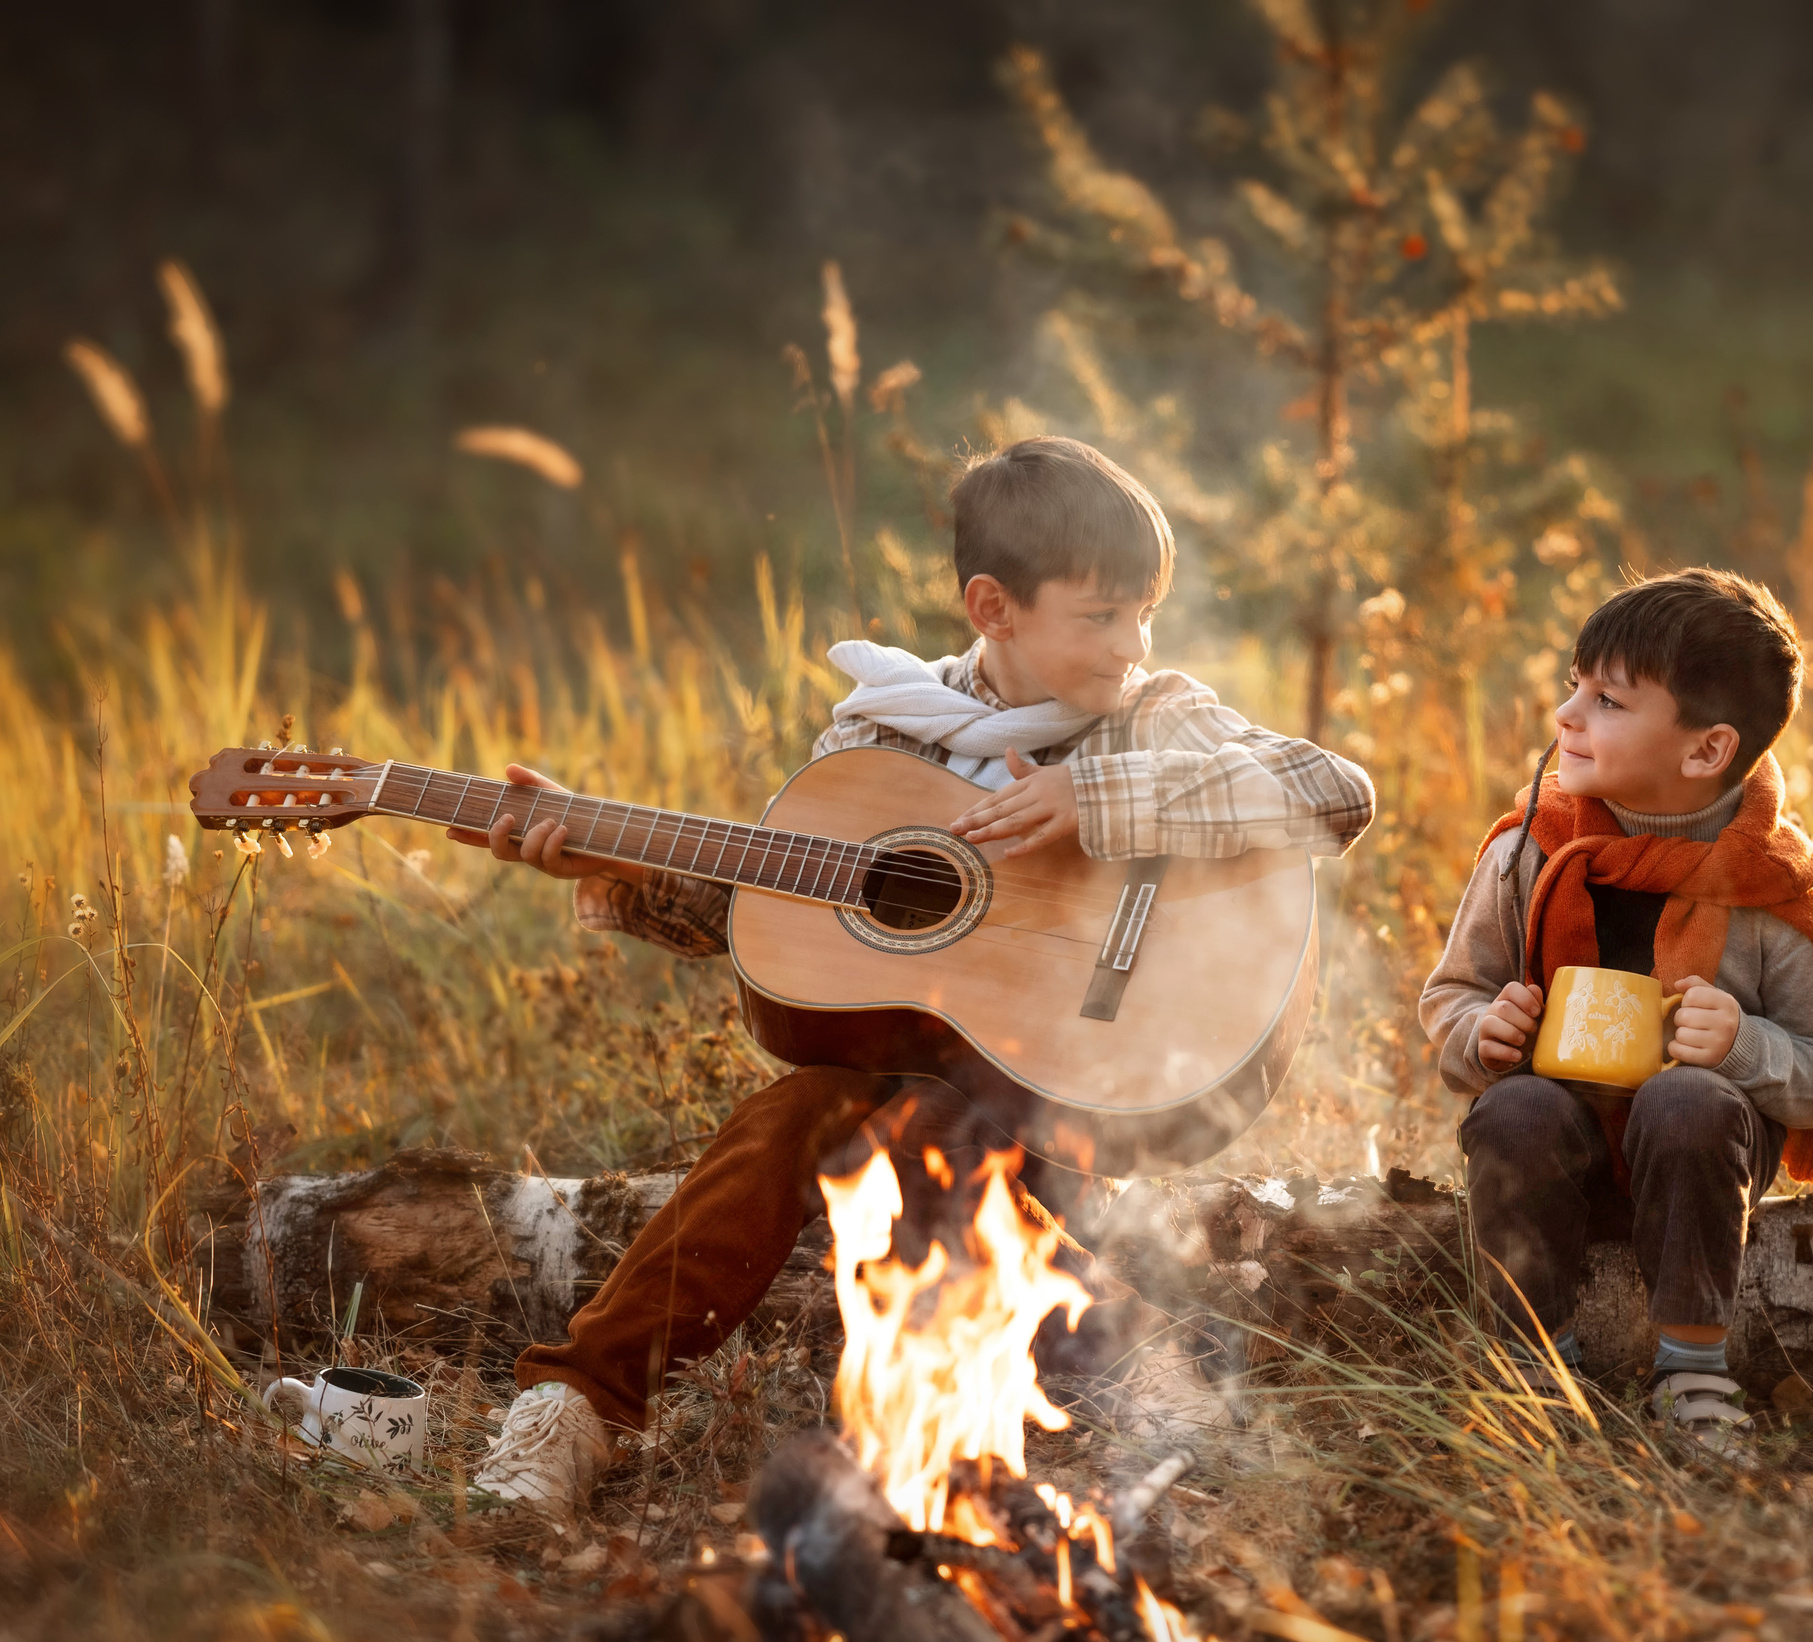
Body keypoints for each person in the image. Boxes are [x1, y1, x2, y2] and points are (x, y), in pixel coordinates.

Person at [460, 436, 1375, 1511]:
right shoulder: (879, 736)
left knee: (921, 1129)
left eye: (1143, 612)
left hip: (1077, 1109)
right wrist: (616, 856)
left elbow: (1331, 791)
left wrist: (1102, 802)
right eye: (1099, 616)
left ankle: (1139, 1361)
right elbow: (775, 920)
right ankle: (573, 1409)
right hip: (929, 1107)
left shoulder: (1153, 715)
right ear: (993, 608)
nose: (1131, 643)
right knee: (817, 1105)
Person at [1417, 567, 1813, 1453]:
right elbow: (1452, 999)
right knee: (1516, 1107)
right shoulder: (1528, 849)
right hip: (1561, 1138)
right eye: (1573, 686)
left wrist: (1744, 1044)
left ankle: (1692, 1372)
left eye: (1609, 701)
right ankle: (1533, 1367)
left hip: (1700, 1150)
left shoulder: (1764, 884)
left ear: (1706, 750)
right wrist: (1483, 1033)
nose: (1567, 716)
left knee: (1686, 1096)